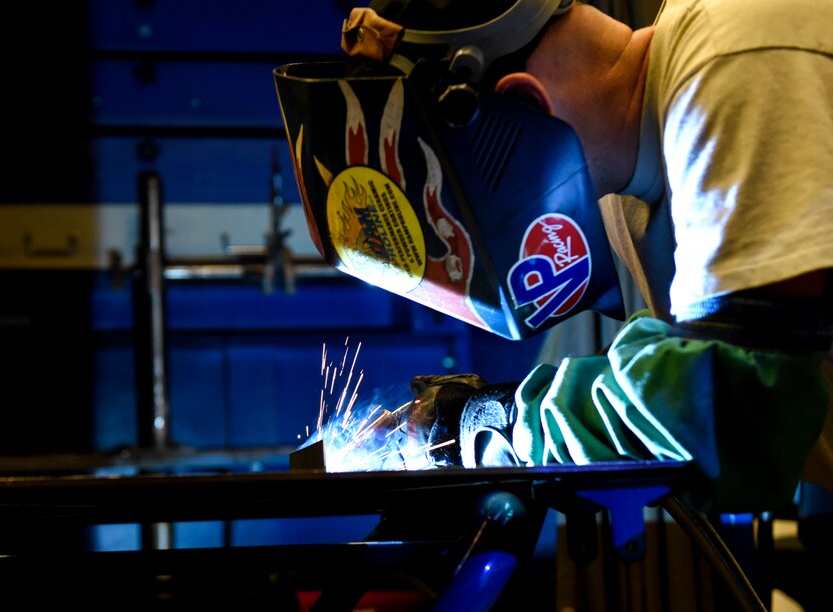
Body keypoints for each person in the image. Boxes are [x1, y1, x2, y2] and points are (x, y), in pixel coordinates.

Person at [341, 0, 833, 514]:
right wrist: (473, 419)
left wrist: (485, 424)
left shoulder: (735, 63)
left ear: (524, 107)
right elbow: (648, 389)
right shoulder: (624, 194)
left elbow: (737, 415)